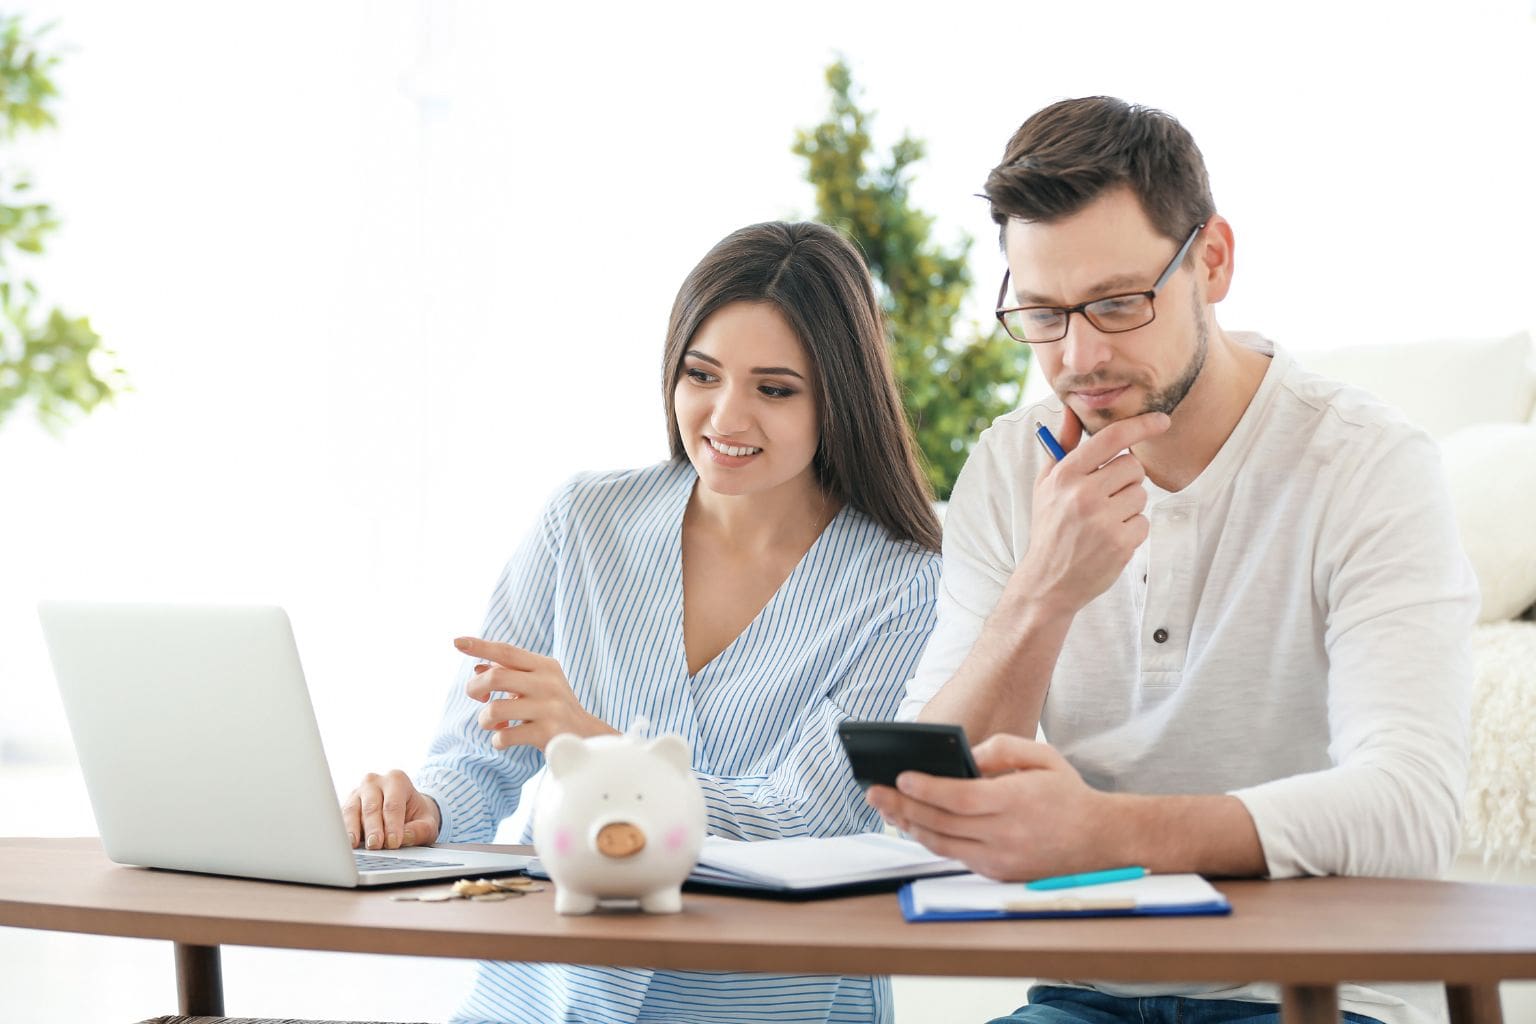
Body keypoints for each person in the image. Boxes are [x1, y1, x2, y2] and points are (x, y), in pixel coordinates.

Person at [866, 97, 1478, 1024]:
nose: (1080, 357)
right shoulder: (1010, 465)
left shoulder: (1365, 463)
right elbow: (927, 802)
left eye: (1118, 303)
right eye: (1043, 314)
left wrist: (1105, 833)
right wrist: (1044, 594)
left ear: (1213, 261)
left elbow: (1412, 807)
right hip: (1086, 999)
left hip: (1318, 996)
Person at [343, 220, 942, 1024]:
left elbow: (812, 823)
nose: (726, 417)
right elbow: (477, 757)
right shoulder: (583, 520)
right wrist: (424, 808)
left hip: (764, 1003)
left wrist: (598, 747)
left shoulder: (906, 584)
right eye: (702, 375)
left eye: (774, 389)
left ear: (840, 398)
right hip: (546, 995)